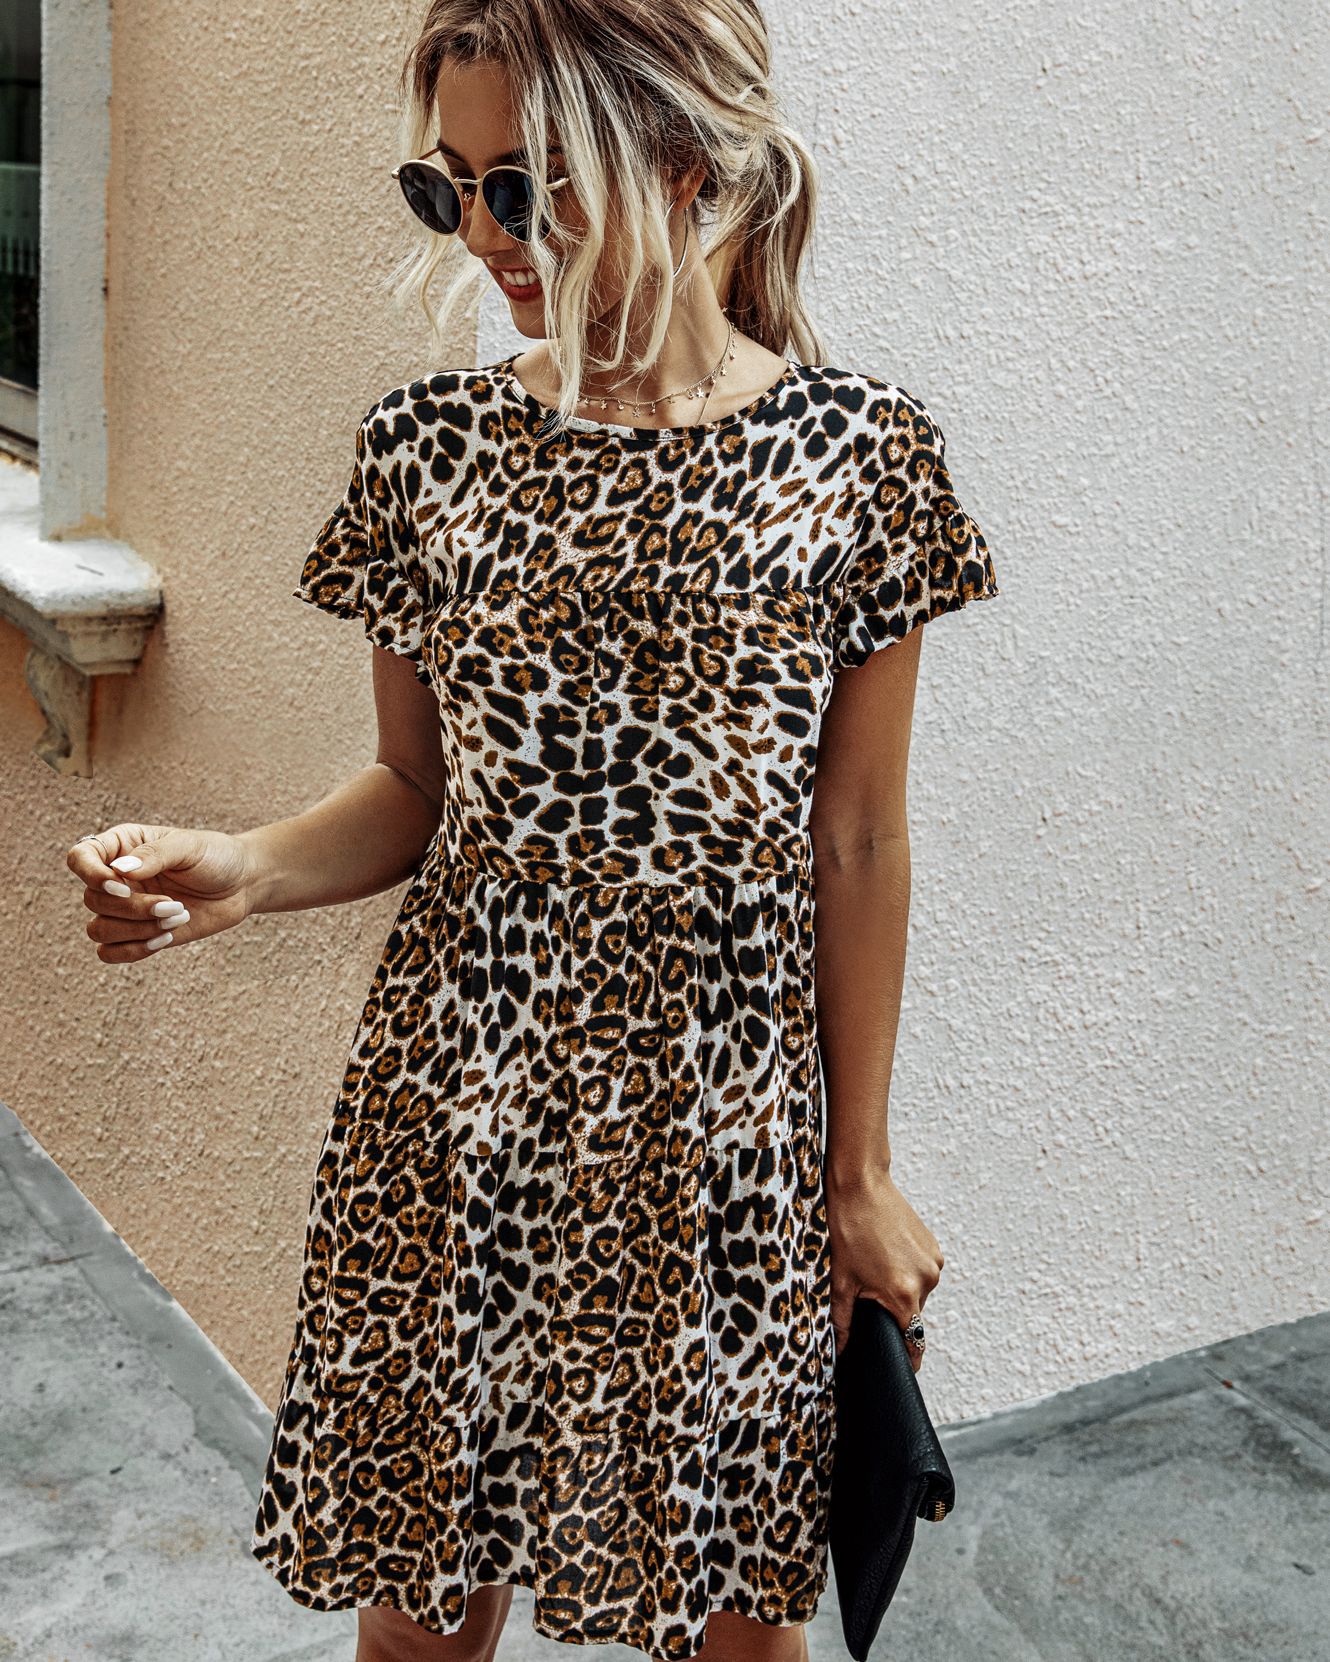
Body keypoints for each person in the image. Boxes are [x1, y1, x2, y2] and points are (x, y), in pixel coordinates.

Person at [64, 2, 1000, 1658]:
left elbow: (854, 842)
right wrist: (244, 870)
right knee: (423, 1612)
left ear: (686, 163)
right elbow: (416, 789)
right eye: (453, 189)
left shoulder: (859, 457)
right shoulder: (426, 451)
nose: (489, 234)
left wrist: (855, 1171)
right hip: (458, 1104)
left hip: (722, 1126)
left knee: (736, 1620)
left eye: (530, 185)